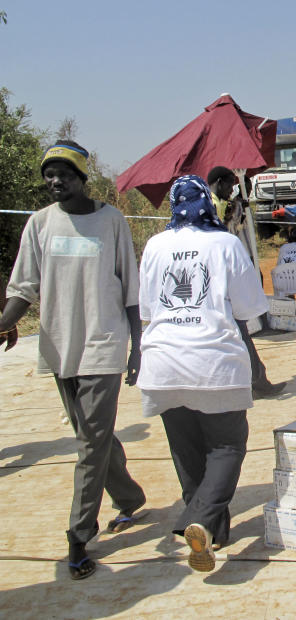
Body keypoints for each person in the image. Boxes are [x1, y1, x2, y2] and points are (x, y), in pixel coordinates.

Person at [0, 140, 146, 580]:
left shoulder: (111, 221)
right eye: (49, 175)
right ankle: (130, 497)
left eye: (64, 174)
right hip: (60, 347)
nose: (55, 182)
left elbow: (131, 289)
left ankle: (79, 535)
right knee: (93, 437)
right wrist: (3, 322)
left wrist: (138, 346)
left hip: (103, 345)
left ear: (83, 178)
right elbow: (23, 287)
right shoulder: (40, 225)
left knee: (89, 444)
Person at [137, 175, 269, 572]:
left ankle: (212, 532)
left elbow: (147, 309)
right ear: (208, 205)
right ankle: (197, 521)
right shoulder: (226, 243)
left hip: (161, 364)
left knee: (187, 449)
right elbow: (249, 309)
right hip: (214, 363)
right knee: (227, 446)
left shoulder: (155, 245)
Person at [207, 166, 285, 398]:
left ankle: (255, 379)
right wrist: (236, 208)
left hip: (220, 278)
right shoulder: (211, 206)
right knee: (239, 331)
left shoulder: (216, 204)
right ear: (219, 182)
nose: (232, 189)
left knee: (236, 332)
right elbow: (222, 233)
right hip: (221, 280)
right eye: (230, 184)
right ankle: (257, 381)